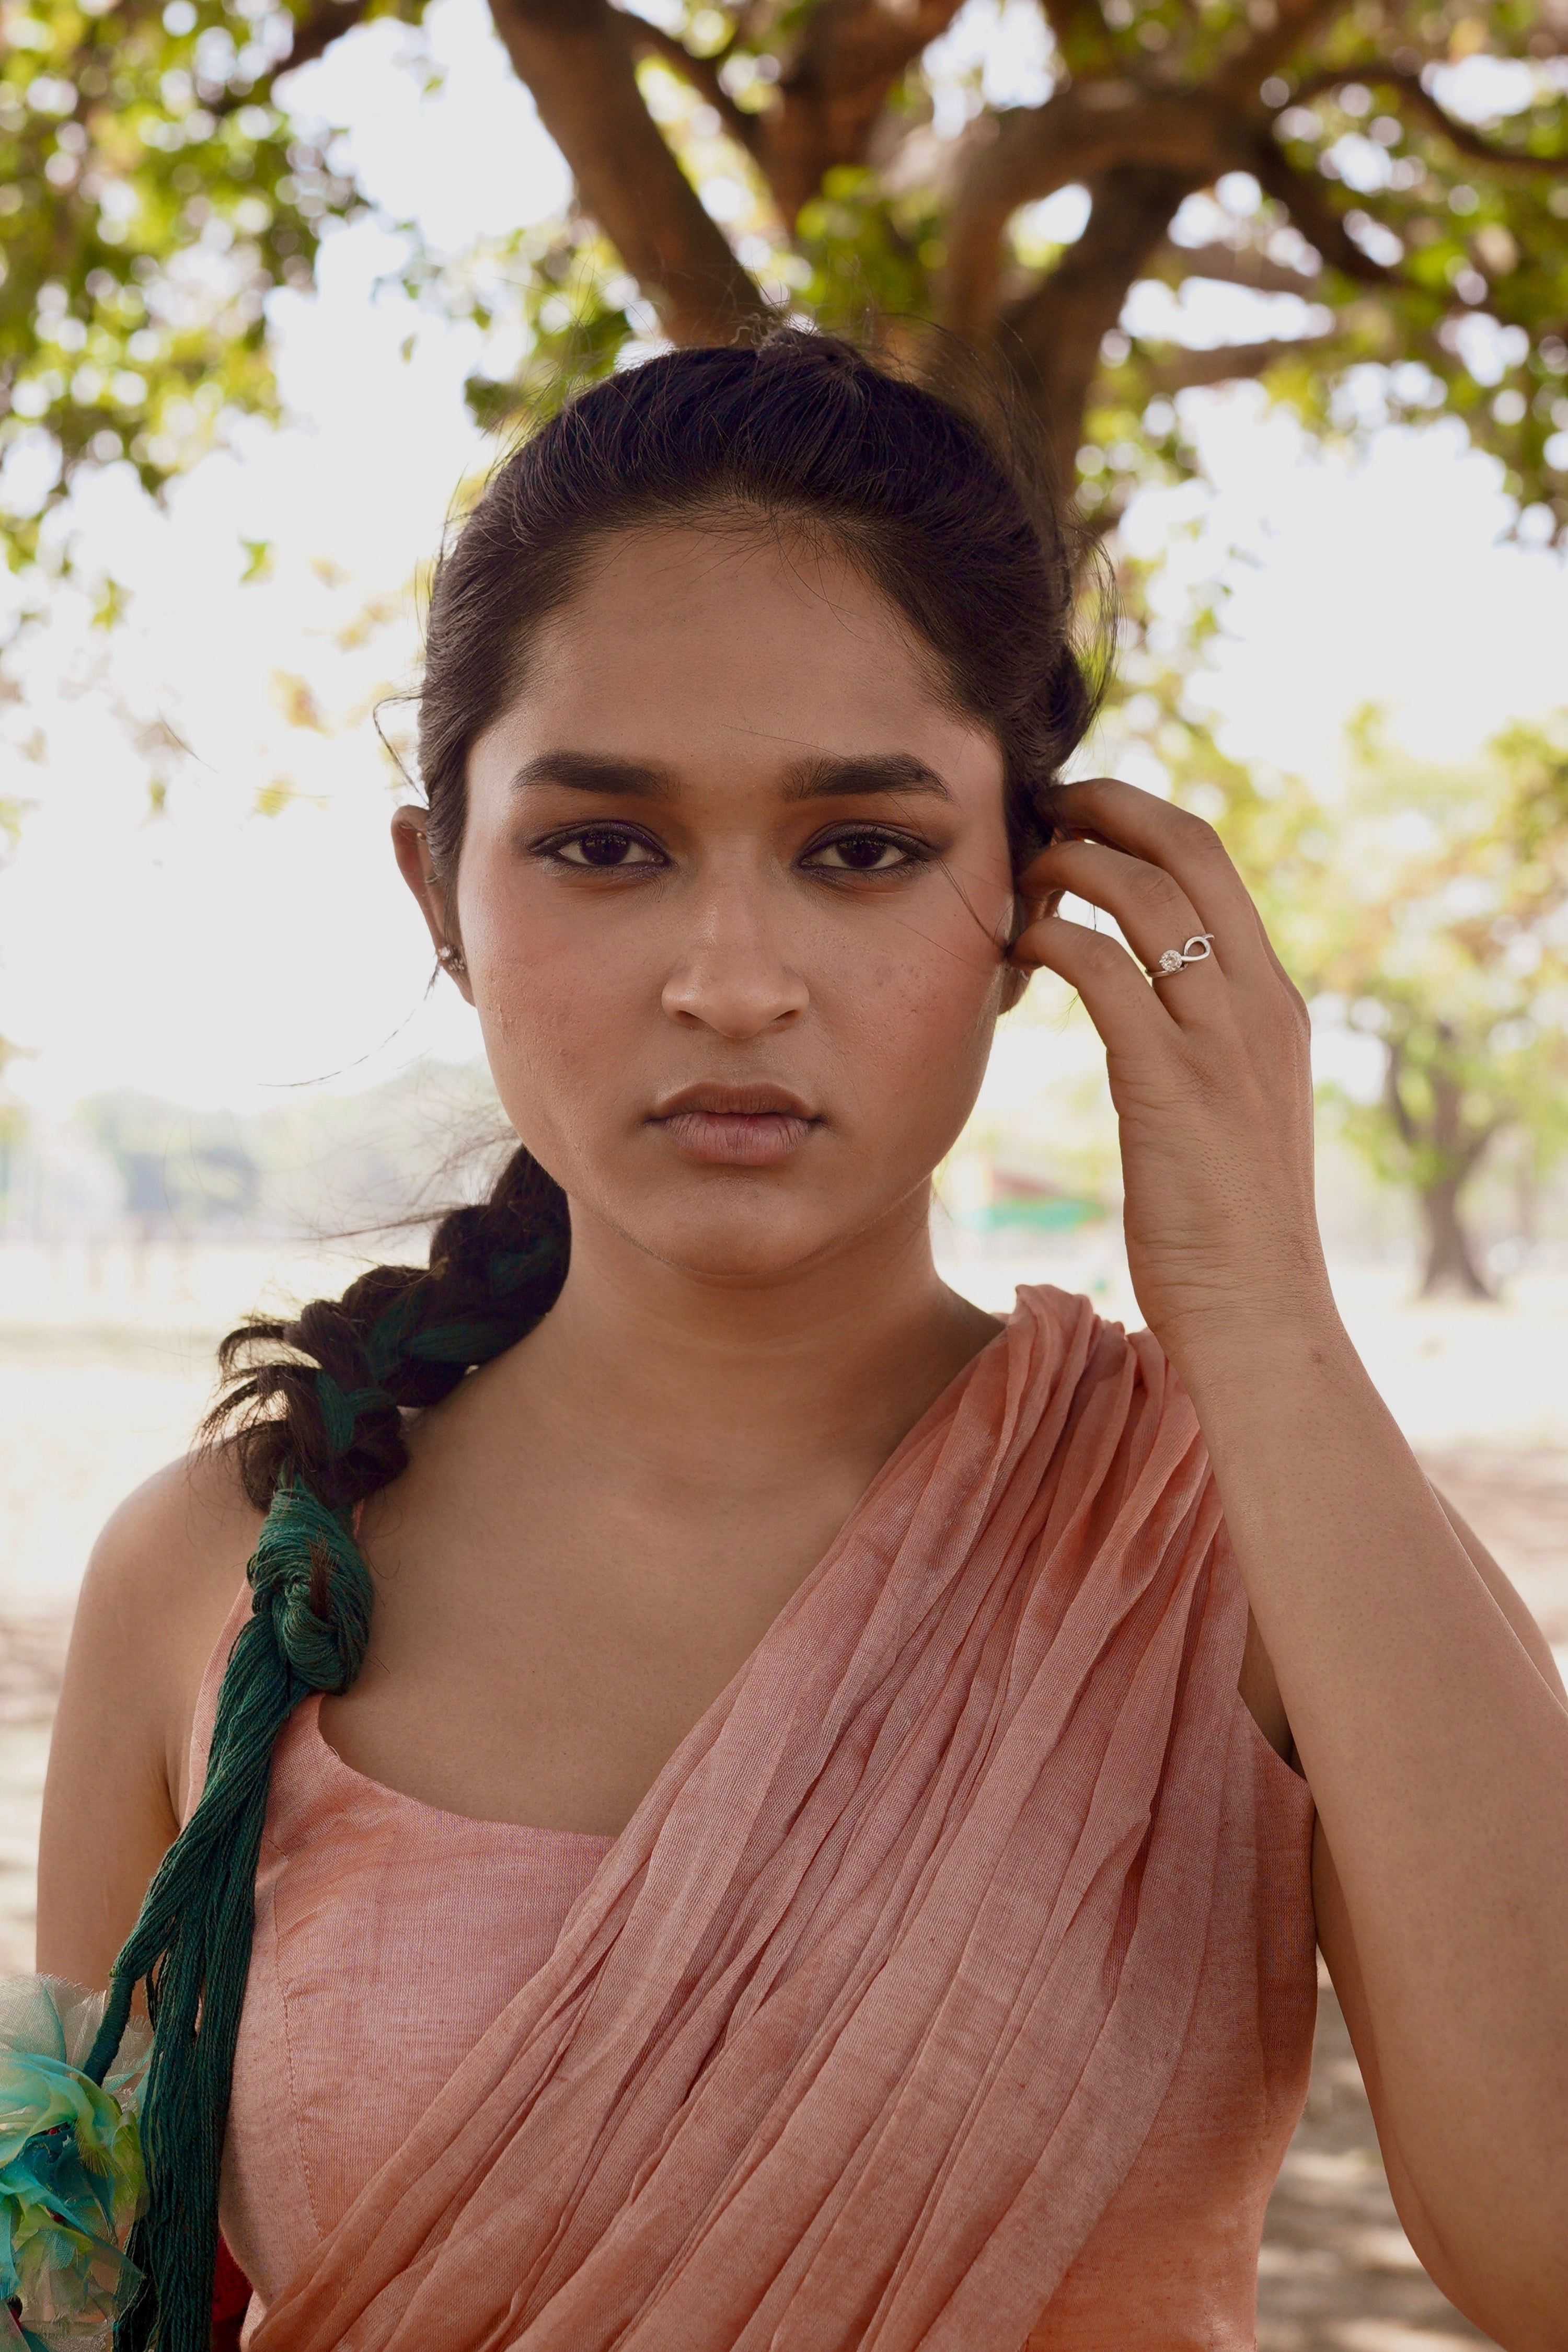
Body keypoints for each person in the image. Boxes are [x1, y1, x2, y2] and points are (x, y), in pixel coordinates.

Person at [36, 330, 1568, 2352]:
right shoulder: (223, 1578)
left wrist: (1264, 1321)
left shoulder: (1234, 1541)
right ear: (441, 890)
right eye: (604, 844)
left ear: (1029, 893)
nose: (733, 980)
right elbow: (65, 2300)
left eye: (862, 849)